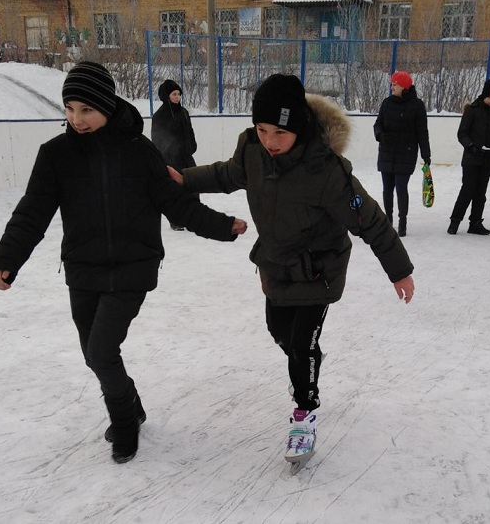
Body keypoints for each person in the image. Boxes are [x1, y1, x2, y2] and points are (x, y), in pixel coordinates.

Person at [0, 62, 248, 464]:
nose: (77, 119)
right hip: (82, 270)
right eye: (70, 109)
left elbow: (173, 202)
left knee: (103, 350)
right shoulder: (56, 155)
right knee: (94, 355)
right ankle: (132, 403)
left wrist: (220, 225)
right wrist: (8, 257)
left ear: (107, 105)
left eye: (86, 110)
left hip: (132, 267)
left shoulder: (139, 152)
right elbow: (32, 211)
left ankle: (125, 420)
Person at [168, 74, 415, 469]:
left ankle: (304, 412)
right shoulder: (252, 150)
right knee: (280, 332)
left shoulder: (326, 171)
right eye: (262, 129)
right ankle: (306, 361)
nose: (270, 140)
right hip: (276, 265)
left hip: (320, 271)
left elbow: (370, 220)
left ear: (298, 127)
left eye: (280, 131)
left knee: (300, 347)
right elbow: (226, 174)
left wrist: (399, 270)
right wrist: (185, 177)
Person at [373, 71, 431, 237]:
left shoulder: (417, 106)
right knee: (387, 189)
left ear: (404, 86)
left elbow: (422, 132)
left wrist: (426, 154)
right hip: (387, 152)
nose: (392, 87)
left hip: (406, 154)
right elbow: (377, 125)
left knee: (401, 188)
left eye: (395, 84)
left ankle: (402, 221)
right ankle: (388, 220)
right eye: (392, 84)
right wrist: (380, 135)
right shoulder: (387, 103)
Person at [447, 79, 490, 235]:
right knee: (468, 190)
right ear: (485, 94)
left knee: (481, 193)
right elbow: (462, 133)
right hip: (471, 159)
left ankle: (475, 222)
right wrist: (472, 147)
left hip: (488, 159)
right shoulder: (472, 110)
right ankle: (455, 221)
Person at [151, 79, 199, 231]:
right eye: (174, 94)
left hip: (186, 156)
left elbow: (190, 131)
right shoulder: (160, 115)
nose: (177, 97)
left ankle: (193, 217)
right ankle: (176, 219)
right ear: (166, 96)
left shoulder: (184, 112)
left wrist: (192, 146)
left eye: (179, 94)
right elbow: (157, 138)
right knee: (175, 190)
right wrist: (165, 156)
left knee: (193, 184)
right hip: (171, 158)